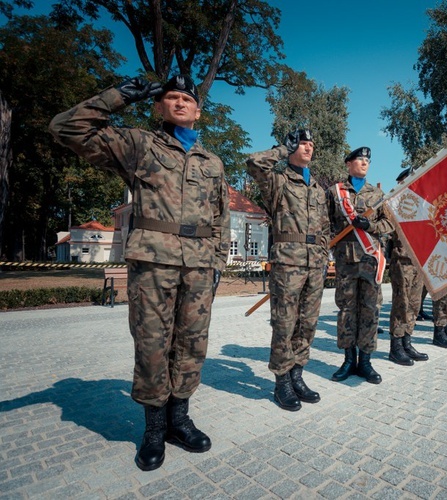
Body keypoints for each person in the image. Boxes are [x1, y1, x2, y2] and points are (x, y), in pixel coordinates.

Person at [50, 75, 230, 471]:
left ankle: (179, 419)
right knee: (152, 344)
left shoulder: (213, 163)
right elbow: (66, 127)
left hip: (199, 266)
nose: (180, 103)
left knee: (192, 344)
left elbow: (221, 218)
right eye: (172, 97)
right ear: (158, 106)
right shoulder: (139, 145)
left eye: (187, 99)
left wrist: (218, 262)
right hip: (153, 262)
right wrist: (121, 95)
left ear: (198, 112)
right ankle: (153, 428)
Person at [246, 128, 329, 412]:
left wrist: (323, 254)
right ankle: (281, 381)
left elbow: (325, 228)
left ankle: (297, 376)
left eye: (310, 143)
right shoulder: (278, 180)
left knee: (307, 323)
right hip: (288, 262)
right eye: (302, 143)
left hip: (314, 263)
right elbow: (254, 162)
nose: (308, 147)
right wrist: (283, 149)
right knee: (284, 323)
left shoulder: (318, 188)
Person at [328, 147, 394, 384]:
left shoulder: (377, 194)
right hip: (345, 261)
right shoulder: (335, 192)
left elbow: (389, 224)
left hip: (369, 260)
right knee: (346, 311)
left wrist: (371, 227)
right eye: (360, 159)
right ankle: (348, 360)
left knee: (370, 310)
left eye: (367, 159)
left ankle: (365, 362)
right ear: (348, 163)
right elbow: (326, 224)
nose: (365, 162)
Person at [387, 168, 429, 365]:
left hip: (418, 263)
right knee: (401, 304)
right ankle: (395, 347)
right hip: (402, 261)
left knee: (414, 305)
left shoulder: (421, 206)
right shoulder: (393, 204)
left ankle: (407, 342)